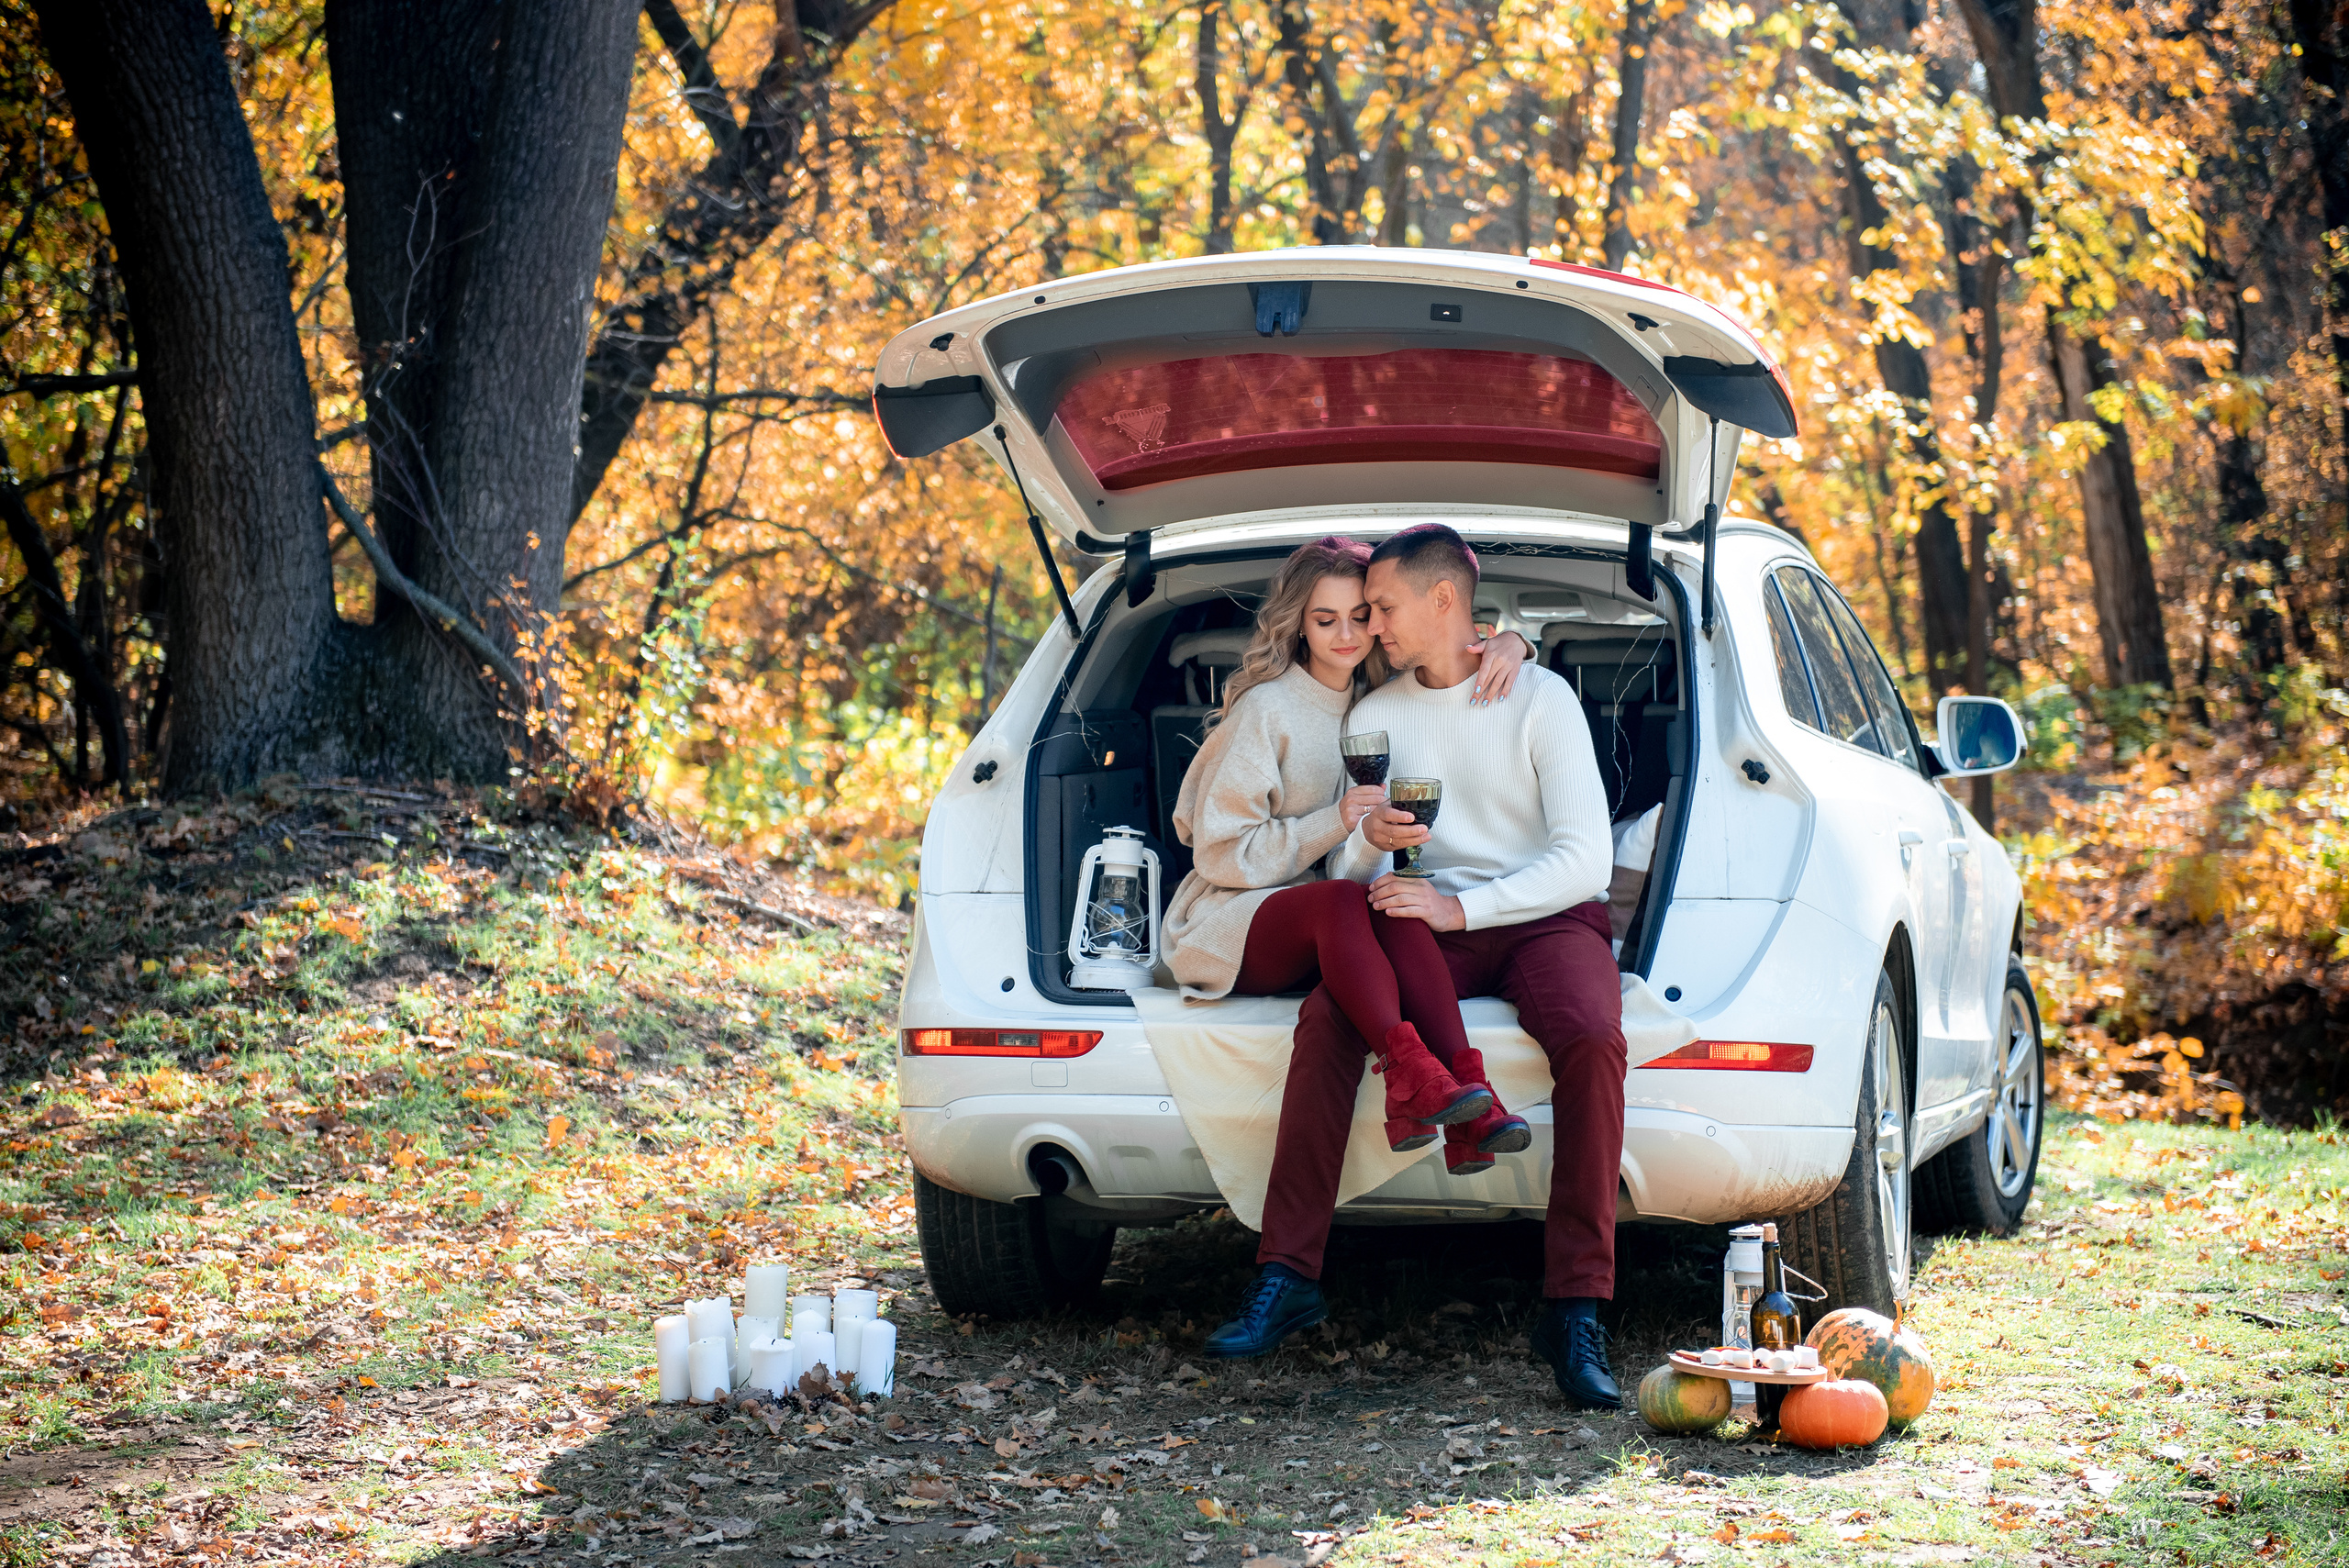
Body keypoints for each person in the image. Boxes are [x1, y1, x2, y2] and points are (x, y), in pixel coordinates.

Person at [1203, 523, 1628, 1408]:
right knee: (1327, 1018)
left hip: (1546, 917)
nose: (1374, 629)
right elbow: (1353, 874)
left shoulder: (1539, 697)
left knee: (1592, 1037)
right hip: (1424, 918)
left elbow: (1586, 859)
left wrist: (1463, 905)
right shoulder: (1377, 715)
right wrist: (1369, 841)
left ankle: (1577, 1305)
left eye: (1385, 608)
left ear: (1444, 601)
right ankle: (1288, 1276)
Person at [1161, 537, 1535, 1359]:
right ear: (1297, 624)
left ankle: (1468, 1102)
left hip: (1328, 921)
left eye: (1359, 617)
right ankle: (1413, 1070)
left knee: (1398, 898)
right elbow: (1219, 853)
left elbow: (1457, 633)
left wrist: (1512, 638)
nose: (1343, 634)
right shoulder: (1269, 710)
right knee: (1342, 898)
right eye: (1323, 619)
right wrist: (1334, 822)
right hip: (1234, 918)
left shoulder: (1379, 699)